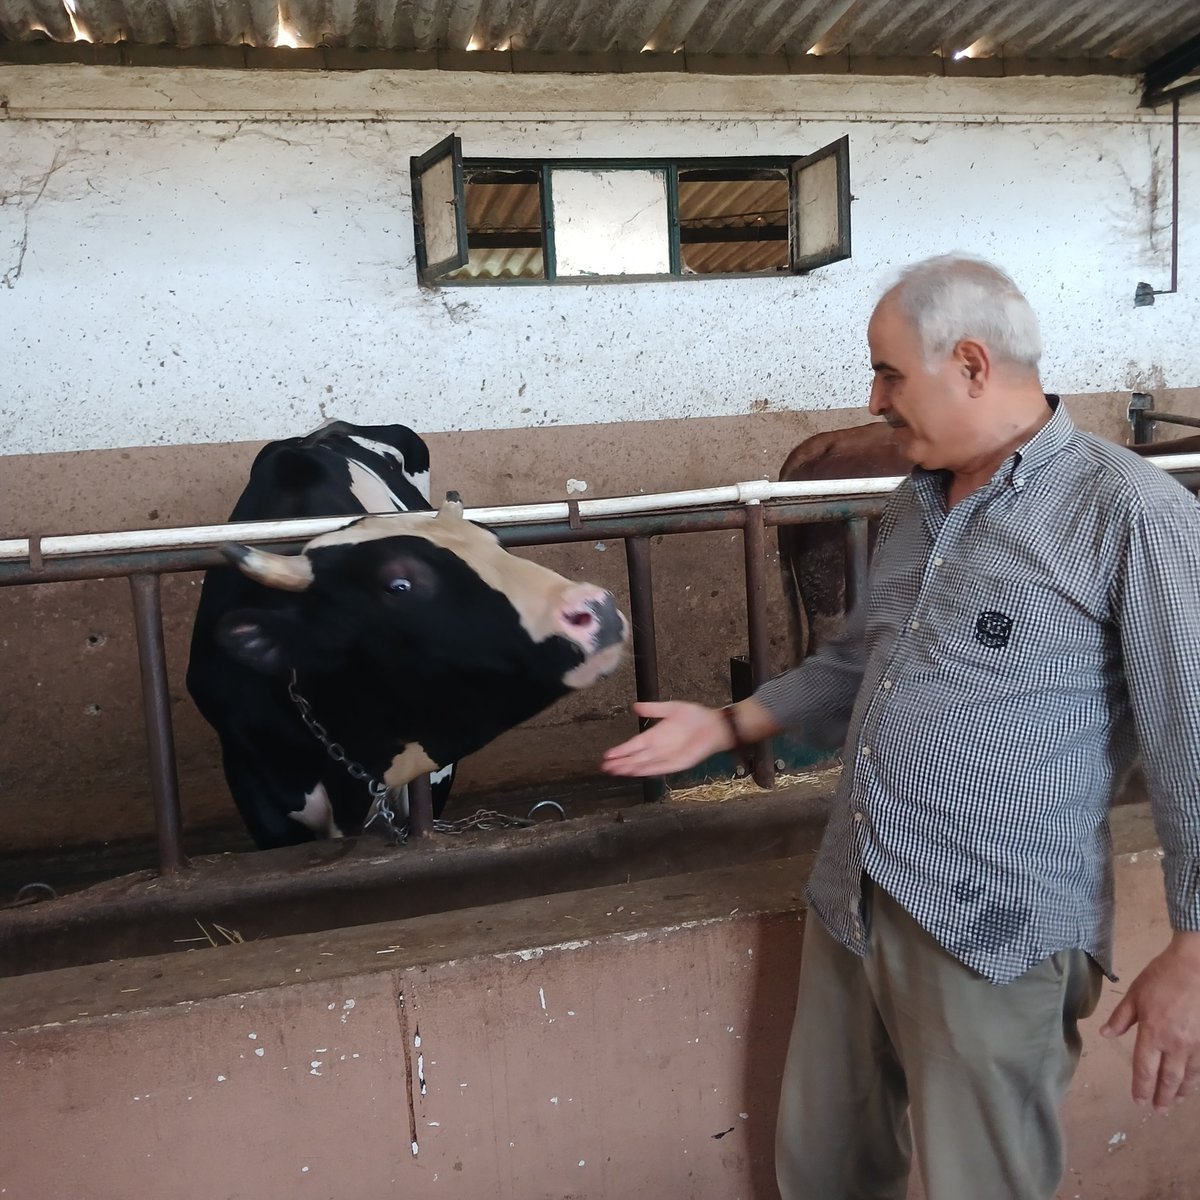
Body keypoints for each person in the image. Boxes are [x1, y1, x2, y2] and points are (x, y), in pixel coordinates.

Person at [602, 255, 1200, 1200]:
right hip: (853, 900)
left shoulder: (1129, 513)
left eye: (888, 373)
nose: (875, 399)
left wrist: (1195, 949)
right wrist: (726, 725)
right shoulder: (913, 508)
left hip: (995, 930)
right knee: (826, 1170)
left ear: (969, 363)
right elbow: (853, 667)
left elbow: (1193, 740)